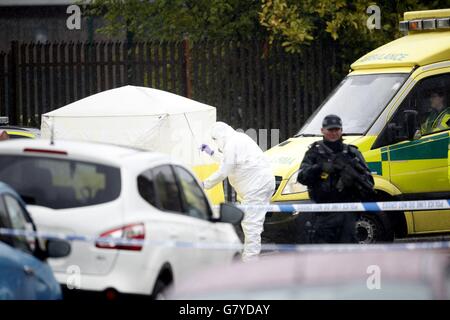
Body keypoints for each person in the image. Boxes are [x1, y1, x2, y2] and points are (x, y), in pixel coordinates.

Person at [200, 122, 275, 262]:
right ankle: (251, 258)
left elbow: (224, 171)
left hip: (256, 186)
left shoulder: (232, 144)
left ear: (220, 136)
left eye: (215, 140)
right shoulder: (238, 139)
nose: (216, 144)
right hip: (260, 184)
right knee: (253, 222)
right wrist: (211, 153)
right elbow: (228, 162)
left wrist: (203, 184)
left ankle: (249, 262)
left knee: (251, 224)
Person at [296, 114, 375, 244]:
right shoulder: (315, 152)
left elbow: (369, 183)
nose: (334, 133)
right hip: (323, 212)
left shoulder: (351, 152)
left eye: (337, 130)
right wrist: (320, 168)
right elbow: (302, 177)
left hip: (348, 212)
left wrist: (352, 181)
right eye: (330, 130)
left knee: (347, 253)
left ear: (341, 130)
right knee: (323, 253)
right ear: (322, 131)